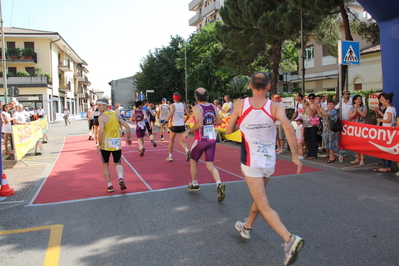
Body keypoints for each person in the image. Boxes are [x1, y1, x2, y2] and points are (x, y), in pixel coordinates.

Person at [226, 71, 304, 266]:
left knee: (262, 203)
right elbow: (288, 127)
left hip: (251, 161)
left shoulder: (240, 105)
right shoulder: (275, 106)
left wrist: (243, 124)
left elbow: (228, 131)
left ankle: (289, 239)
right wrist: (295, 156)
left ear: (250, 86)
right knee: (258, 198)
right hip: (269, 161)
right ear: (269, 87)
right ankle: (247, 227)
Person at [183, 87, 225, 202]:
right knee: (210, 165)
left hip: (200, 139)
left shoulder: (197, 107)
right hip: (211, 140)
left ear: (196, 97)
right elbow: (219, 121)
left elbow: (199, 124)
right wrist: (210, 123)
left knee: (193, 161)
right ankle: (219, 184)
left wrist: (189, 131)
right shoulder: (212, 106)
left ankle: (195, 184)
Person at [96, 98, 132, 192]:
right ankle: (120, 177)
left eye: (100, 105)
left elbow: (101, 131)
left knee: (105, 164)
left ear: (105, 105)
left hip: (105, 144)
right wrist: (128, 138)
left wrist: (99, 144)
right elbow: (127, 127)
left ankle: (110, 185)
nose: (98, 107)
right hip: (116, 143)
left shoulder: (102, 117)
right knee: (117, 163)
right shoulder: (116, 115)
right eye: (97, 105)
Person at [373, 93, 396, 172]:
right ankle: (388, 166)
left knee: (383, 149)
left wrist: (380, 120)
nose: (380, 100)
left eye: (382, 99)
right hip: (389, 131)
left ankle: (383, 166)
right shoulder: (392, 108)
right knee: (389, 149)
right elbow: (388, 118)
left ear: (387, 100)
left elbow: (388, 120)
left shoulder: (389, 108)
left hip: (386, 131)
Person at [164, 92, 190, 162]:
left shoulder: (172, 105)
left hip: (174, 125)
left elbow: (171, 113)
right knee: (182, 141)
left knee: (171, 141)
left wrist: (166, 121)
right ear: (180, 98)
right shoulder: (183, 105)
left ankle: (170, 156)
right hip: (181, 125)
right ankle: (187, 150)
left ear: (173, 98)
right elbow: (188, 114)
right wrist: (185, 121)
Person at [348, 95, 368, 166]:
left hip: (362, 127)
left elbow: (364, 115)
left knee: (361, 144)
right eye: (357, 99)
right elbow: (350, 117)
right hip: (354, 127)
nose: (359, 100)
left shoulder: (364, 107)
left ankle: (362, 159)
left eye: (360, 99)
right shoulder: (352, 108)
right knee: (355, 143)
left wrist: (358, 109)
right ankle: (357, 158)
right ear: (354, 100)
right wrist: (354, 111)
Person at [302, 94, 319, 159]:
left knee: (313, 139)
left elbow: (313, 113)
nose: (311, 99)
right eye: (309, 98)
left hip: (313, 124)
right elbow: (303, 113)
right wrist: (304, 107)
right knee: (308, 139)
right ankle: (309, 152)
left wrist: (308, 107)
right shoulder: (307, 105)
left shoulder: (315, 105)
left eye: (312, 98)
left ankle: (314, 153)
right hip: (307, 124)